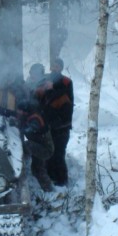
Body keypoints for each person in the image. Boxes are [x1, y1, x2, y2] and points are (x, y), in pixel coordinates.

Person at [17, 63, 55, 192]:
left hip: (45, 144)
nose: (31, 75)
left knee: (38, 166)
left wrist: (20, 128)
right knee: (37, 168)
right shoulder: (30, 85)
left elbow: (31, 128)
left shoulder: (35, 117)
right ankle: (48, 190)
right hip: (39, 140)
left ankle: (49, 191)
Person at [42, 58, 74, 186]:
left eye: (57, 66)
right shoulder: (45, 79)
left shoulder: (66, 82)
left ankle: (62, 181)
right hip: (48, 124)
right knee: (49, 153)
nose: (54, 68)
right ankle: (51, 178)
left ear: (61, 67)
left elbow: (65, 97)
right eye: (53, 65)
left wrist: (52, 87)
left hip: (62, 125)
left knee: (59, 154)